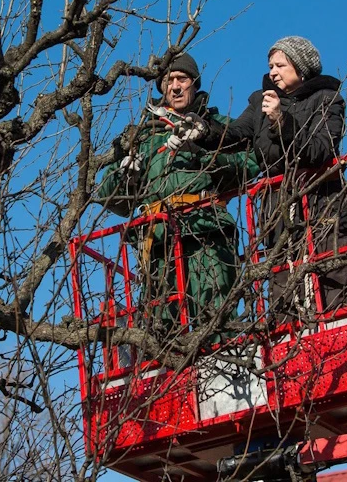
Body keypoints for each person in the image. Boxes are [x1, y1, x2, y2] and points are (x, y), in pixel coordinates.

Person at [95, 53, 258, 341]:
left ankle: (227, 366)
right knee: (161, 325)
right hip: (157, 240)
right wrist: (124, 175)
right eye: (168, 81)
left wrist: (203, 149)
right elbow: (106, 196)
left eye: (182, 79)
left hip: (207, 229)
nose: (175, 86)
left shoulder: (216, 124)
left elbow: (252, 162)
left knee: (216, 313)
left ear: (194, 83)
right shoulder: (142, 135)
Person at [201, 36, 347, 319]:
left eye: (280, 65)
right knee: (281, 275)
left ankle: (341, 324)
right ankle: (285, 331)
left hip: (324, 203)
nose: (272, 72)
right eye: (270, 65)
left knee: (333, 269)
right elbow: (233, 135)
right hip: (277, 205)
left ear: (301, 66)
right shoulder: (261, 101)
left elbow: (322, 149)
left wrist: (281, 122)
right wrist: (202, 130)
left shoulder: (327, 99)